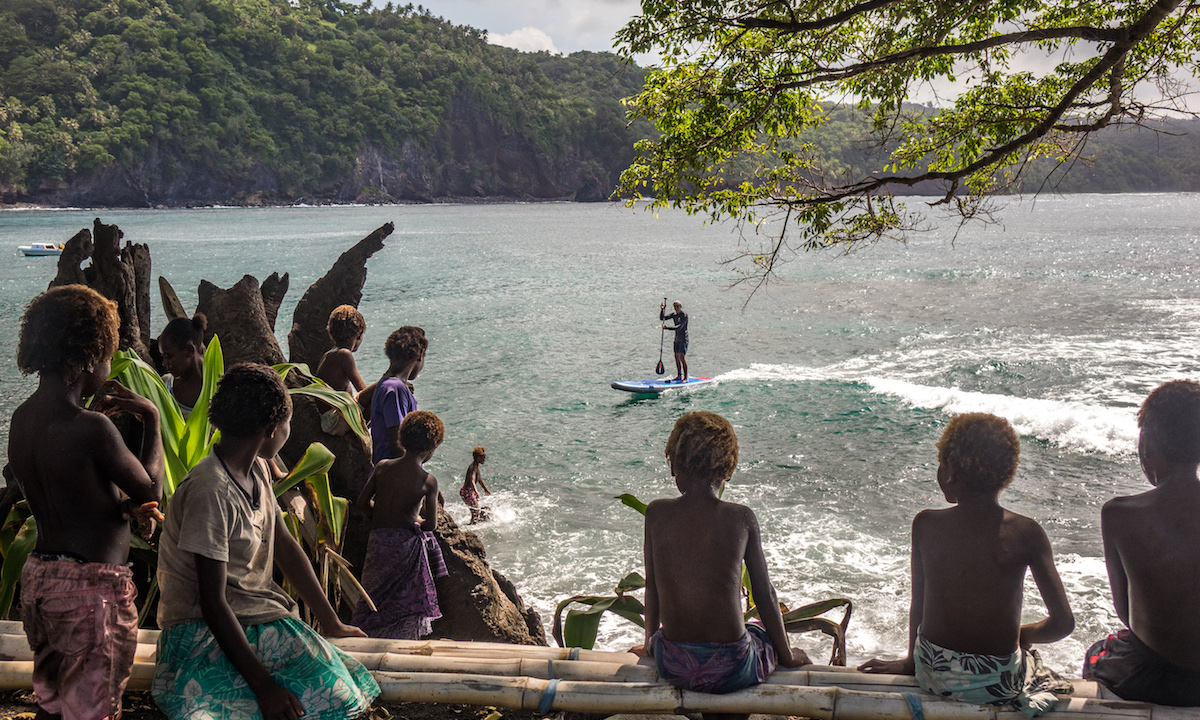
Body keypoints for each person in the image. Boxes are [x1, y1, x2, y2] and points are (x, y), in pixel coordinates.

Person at [153, 364, 379, 720]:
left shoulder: (256, 470)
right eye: (287, 423)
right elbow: (211, 602)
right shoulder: (210, 491)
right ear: (272, 428)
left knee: (340, 693)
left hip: (255, 621)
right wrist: (265, 687)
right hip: (200, 634)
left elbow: (287, 549)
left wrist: (331, 622)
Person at [9, 284, 165, 720]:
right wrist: (151, 417)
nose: (110, 365)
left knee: (54, 704)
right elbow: (150, 486)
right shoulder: (92, 427)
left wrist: (121, 507)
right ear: (87, 357)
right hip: (90, 596)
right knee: (93, 711)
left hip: (41, 582)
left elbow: (72, 492)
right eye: (108, 355)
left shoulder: (22, 420)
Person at [859, 413, 1075, 718]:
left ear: (950, 473)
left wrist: (910, 662)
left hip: (932, 674)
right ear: (1006, 474)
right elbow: (1063, 624)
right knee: (1031, 662)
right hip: (996, 683)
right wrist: (1020, 635)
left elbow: (917, 607)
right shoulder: (1027, 533)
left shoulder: (925, 524)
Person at [635, 411, 808, 716]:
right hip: (732, 668)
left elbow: (653, 588)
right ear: (727, 470)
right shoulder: (741, 518)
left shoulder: (656, 514)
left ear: (674, 464)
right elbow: (765, 595)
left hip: (673, 662)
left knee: (694, 647)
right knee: (757, 634)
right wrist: (788, 656)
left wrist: (650, 643)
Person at [1081, 379, 1200, 706]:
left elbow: (1126, 614)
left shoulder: (1120, 514)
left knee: (1098, 653)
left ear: (1146, 445)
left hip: (1154, 679)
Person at [353, 410, 448, 639]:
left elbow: (363, 503)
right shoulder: (428, 480)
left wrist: (386, 515)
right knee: (404, 604)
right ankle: (400, 642)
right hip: (404, 548)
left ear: (401, 439)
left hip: (378, 542)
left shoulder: (383, 466)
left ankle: (366, 637)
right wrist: (414, 519)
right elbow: (430, 526)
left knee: (373, 594)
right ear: (431, 449)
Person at [369, 326, 427, 464]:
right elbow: (397, 446)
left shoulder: (386, 383)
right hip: (394, 475)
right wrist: (422, 457)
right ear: (419, 355)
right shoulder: (396, 389)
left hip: (384, 470)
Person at [158, 312, 207, 419]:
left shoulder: (218, 389)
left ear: (189, 351)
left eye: (168, 356)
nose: (164, 363)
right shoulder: (164, 386)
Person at [315, 304, 367, 394]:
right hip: (334, 408)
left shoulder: (328, 355)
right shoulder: (344, 354)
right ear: (359, 335)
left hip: (330, 407)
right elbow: (362, 389)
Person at [460, 445, 492, 524]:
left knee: (475, 511)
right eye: (483, 458)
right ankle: (470, 528)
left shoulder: (477, 465)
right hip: (467, 492)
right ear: (478, 457)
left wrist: (485, 488)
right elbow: (472, 480)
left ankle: (473, 525)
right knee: (475, 513)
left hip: (469, 491)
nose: (485, 460)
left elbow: (479, 479)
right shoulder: (473, 467)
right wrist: (476, 491)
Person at [660, 300, 688, 382]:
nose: (676, 308)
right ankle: (679, 376)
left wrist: (667, 328)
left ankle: (685, 378)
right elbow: (662, 318)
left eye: (678, 306)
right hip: (677, 338)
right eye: (675, 307)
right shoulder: (674, 315)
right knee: (676, 357)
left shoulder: (684, 315)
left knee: (682, 357)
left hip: (683, 338)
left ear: (681, 307)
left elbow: (679, 327)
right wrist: (662, 309)